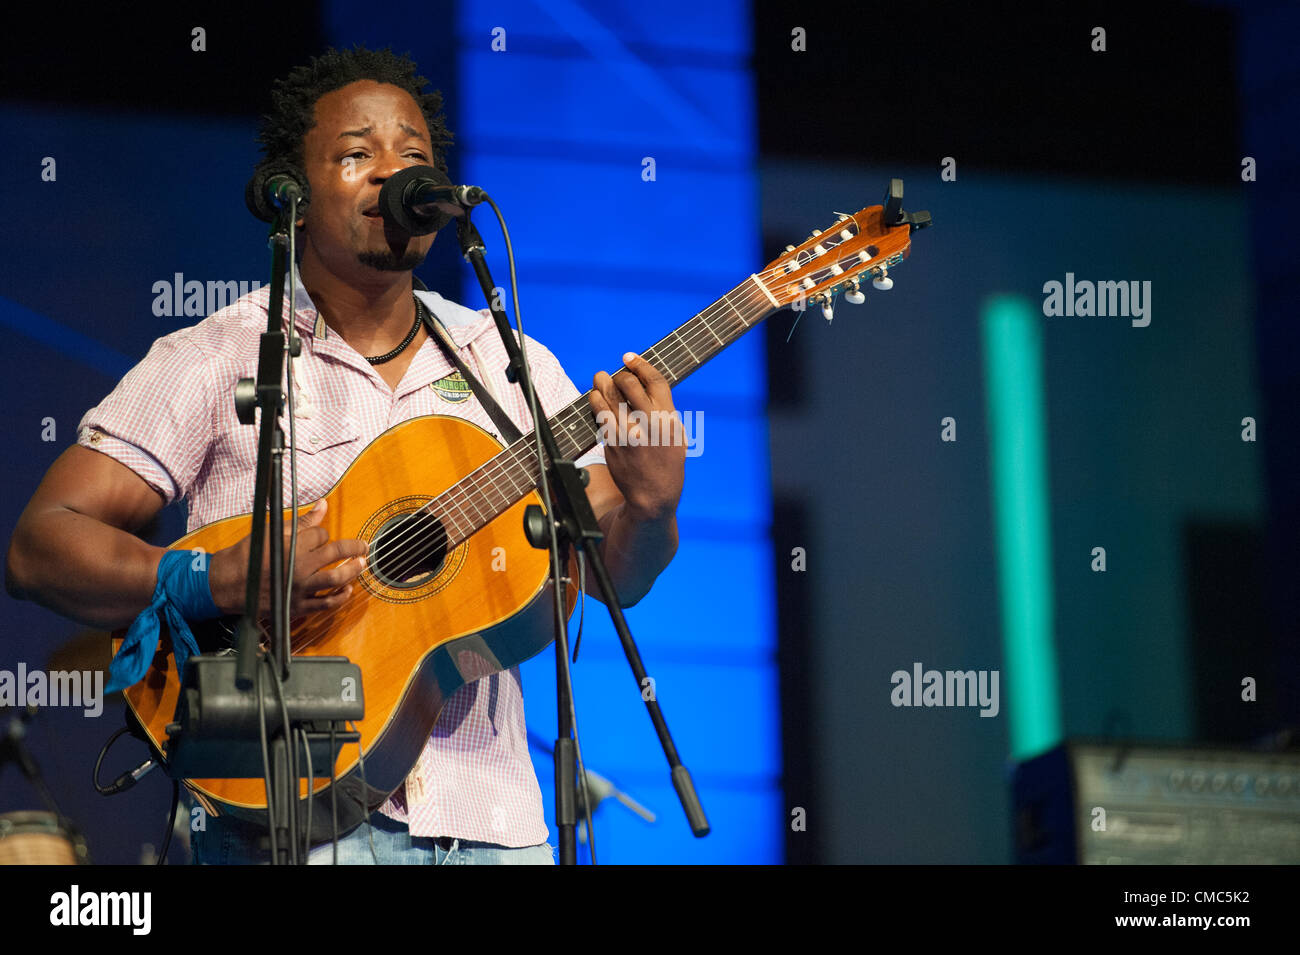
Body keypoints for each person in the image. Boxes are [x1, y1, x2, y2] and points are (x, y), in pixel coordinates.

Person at [4, 46, 685, 865]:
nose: (392, 177)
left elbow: (623, 580)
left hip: (495, 830)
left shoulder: (509, 362)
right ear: (290, 193)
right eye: (358, 155)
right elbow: (42, 543)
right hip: (281, 823)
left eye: (414, 159)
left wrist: (651, 507)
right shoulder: (215, 356)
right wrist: (218, 579)